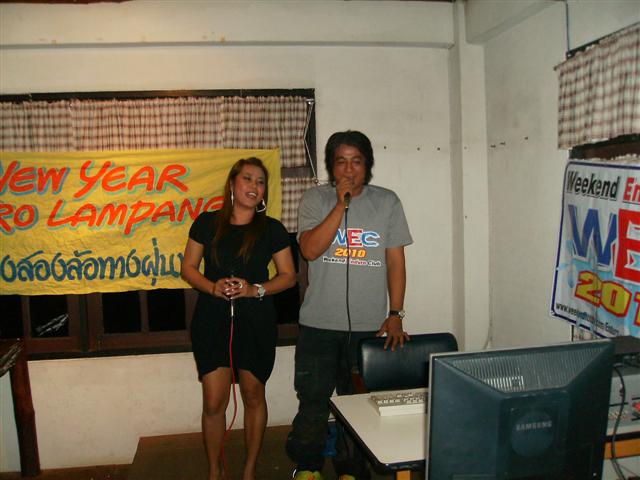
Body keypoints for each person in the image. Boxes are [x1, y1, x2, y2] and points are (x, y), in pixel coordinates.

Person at [286, 131, 413, 480]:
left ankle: (351, 471)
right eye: (340, 161)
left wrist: (396, 314)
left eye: (356, 160)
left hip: (367, 327)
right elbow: (310, 250)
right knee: (312, 401)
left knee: (358, 405)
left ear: (367, 164)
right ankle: (308, 467)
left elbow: (396, 263)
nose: (348, 168)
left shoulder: (387, 202)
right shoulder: (314, 199)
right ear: (331, 165)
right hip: (318, 325)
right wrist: (340, 206)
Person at [181, 157, 296, 480]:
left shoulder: (272, 229)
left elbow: (288, 276)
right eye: (247, 178)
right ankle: (214, 471)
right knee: (213, 401)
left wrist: (254, 289)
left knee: (253, 395)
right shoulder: (206, 223)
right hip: (212, 318)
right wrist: (212, 287)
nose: (254, 186)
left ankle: (249, 470)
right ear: (232, 184)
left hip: (256, 318)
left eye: (260, 182)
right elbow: (188, 268)